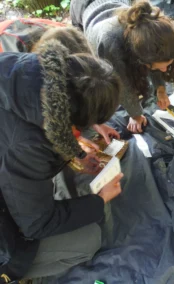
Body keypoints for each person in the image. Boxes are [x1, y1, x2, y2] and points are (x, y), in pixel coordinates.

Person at [0, 38, 123, 281]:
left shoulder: (25, 68)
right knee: (88, 240)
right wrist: (98, 201)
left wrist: (80, 143)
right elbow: (36, 224)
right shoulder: (28, 147)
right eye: (86, 123)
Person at [70, 0, 174, 134]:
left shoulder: (152, 30)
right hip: (83, 6)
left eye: (167, 66)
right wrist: (135, 115)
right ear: (140, 57)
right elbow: (122, 84)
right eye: (159, 67)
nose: (164, 70)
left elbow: (156, 58)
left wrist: (160, 89)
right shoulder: (109, 42)